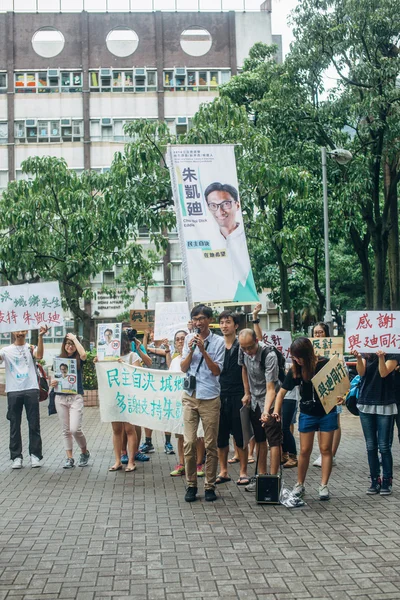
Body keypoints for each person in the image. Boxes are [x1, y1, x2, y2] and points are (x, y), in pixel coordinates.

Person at [274, 337, 344, 501]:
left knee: (326, 449)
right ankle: (300, 484)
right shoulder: (295, 370)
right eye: (294, 357)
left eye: (299, 357)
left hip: (327, 411)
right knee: (305, 450)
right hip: (307, 412)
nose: (297, 360)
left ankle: (324, 485)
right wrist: (277, 411)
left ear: (307, 354)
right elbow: (282, 392)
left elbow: (340, 385)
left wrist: (341, 397)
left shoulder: (324, 363)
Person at [180, 304, 225, 502]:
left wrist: (203, 350)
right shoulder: (189, 338)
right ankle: (191, 485)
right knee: (189, 442)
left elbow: (217, 371)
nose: (198, 322)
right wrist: (191, 351)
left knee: (210, 444)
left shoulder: (219, 342)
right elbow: (183, 368)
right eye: (195, 319)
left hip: (210, 397)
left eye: (201, 318)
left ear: (209, 320)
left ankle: (209, 485)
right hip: (190, 396)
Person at [251, 303, 297, 468]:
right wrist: (255, 317)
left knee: (283, 428)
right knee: (278, 430)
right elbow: (259, 339)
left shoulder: (290, 357)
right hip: (274, 396)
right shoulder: (265, 352)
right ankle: (283, 455)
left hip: (287, 395)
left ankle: (291, 455)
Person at [238, 329, 282, 492]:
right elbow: (243, 369)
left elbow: (271, 388)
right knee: (259, 439)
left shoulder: (269, 355)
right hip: (254, 400)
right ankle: (261, 477)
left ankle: (273, 479)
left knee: (273, 440)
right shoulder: (241, 349)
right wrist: (247, 392)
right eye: (244, 348)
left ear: (257, 341)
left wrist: (266, 411)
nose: (248, 352)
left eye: (250, 347)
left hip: (270, 401)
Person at [0, 326, 48, 469]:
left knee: (34, 424)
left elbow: (39, 356)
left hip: (31, 389)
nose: (20, 332)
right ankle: (16, 457)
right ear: (13, 332)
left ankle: (35, 455)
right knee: (15, 424)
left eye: (22, 330)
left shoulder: (31, 348)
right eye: (17, 330)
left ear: (26, 332)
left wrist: (40, 337)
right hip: (14, 390)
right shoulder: (5, 350)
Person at [354, 349, 399, 495]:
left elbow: (383, 372)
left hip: (385, 402)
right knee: (370, 446)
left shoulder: (393, 352)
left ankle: (387, 480)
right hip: (366, 401)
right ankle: (374, 480)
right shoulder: (367, 351)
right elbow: (361, 373)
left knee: (384, 446)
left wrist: (381, 357)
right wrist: (359, 358)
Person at [204, 182, 258, 302]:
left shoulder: (247, 240)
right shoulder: (207, 242)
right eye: (213, 205)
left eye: (226, 204)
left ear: (237, 205)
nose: (220, 211)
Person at [217, 311, 249, 486]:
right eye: (221, 322)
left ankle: (243, 471)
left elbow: (246, 370)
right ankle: (223, 471)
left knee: (240, 435)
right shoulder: (217, 346)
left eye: (227, 322)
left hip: (239, 395)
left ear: (236, 325)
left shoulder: (242, 346)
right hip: (220, 395)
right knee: (220, 437)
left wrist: (247, 393)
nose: (224, 325)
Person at [50, 333, 90, 469]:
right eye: (67, 343)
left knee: (75, 429)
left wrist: (74, 338)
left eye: (72, 344)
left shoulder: (79, 359)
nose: (70, 346)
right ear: (63, 345)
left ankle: (84, 452)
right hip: (60, 397)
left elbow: (84, 354)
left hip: (75, 397)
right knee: (66, 430)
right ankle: (69, 458)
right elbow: (53, 377)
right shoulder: (58, 359)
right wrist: (53, 382)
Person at [169, 330, 205, 478]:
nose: (179, 341)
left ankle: (198, 463)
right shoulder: (174, 361)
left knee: (198, 435)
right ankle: (182, 463)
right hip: (180, 402)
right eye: (177, 339)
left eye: (182, 338)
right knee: (180, 435)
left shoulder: (196, 357)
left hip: (196, 399)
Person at [108, 332, 142, 473]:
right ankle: (118, 461)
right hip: (113, 397)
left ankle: (131, 461)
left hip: (129, 397)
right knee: (116, 430)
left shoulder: (132, 356)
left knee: (129, 429)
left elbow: (138, 374)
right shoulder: (108, 358)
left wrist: (124, 367)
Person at [311, 322, 342, 467]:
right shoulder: (311, 350)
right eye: (315, 333)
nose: (318, 335)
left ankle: (332, 454)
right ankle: (323, 453)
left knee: (335, 422)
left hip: (334, 387)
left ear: (326, 334)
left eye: (320, 332)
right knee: (319, 422)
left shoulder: (335, 348)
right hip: (318, 390)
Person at [121, 322, 151, 464]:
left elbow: (149, 362)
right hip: (120, 390)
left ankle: (136, 450)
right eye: (125, 332)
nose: (128, 334)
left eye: (129, 331)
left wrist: (139, 348)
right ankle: (123, 452)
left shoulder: (136, 345)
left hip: (135, 390)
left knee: (136, 423)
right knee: (122, 424)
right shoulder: (115, 348)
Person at [140, 330, 175, 455]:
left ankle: (168, 443)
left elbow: (168, 358)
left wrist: (158, 350)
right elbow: (143, 352)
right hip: (149, 386)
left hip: (164, 386)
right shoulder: (147, 347)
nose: (153, 335)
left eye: (155, 333)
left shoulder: (167, 346)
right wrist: (144, 338)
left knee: (166, 414)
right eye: (151, 334)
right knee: (148, 414)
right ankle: (148, 442)